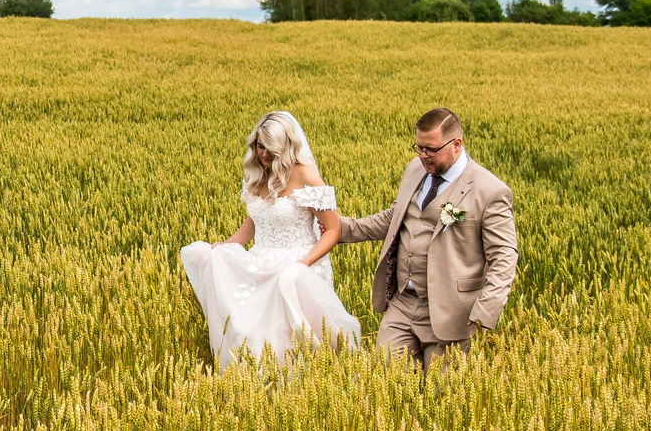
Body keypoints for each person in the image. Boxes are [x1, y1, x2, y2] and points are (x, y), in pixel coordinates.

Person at [336, 107, 517, 369]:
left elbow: (504, 256)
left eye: (431, 149)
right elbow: (395, 217)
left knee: (441, 391)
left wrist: (487, 308)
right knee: (387, 381)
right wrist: (341, 229)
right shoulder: (415, 169)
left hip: (452, 312)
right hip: (402, 303)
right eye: (419, 147)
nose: (423, 156)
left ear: (456, 144)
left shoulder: (490, 191)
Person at [179, 110, 362, 366]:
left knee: (286, 338)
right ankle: (253, 384)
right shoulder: (257, 175)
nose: (264, 154)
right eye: (260, 146)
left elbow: (333, 230)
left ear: (287, 146)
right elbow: (256, 221)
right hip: (260, 262)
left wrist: (304, 265)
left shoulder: (306, 176)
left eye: (271, 149)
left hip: (297, 267)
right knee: (248, 332)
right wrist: (226, 245)